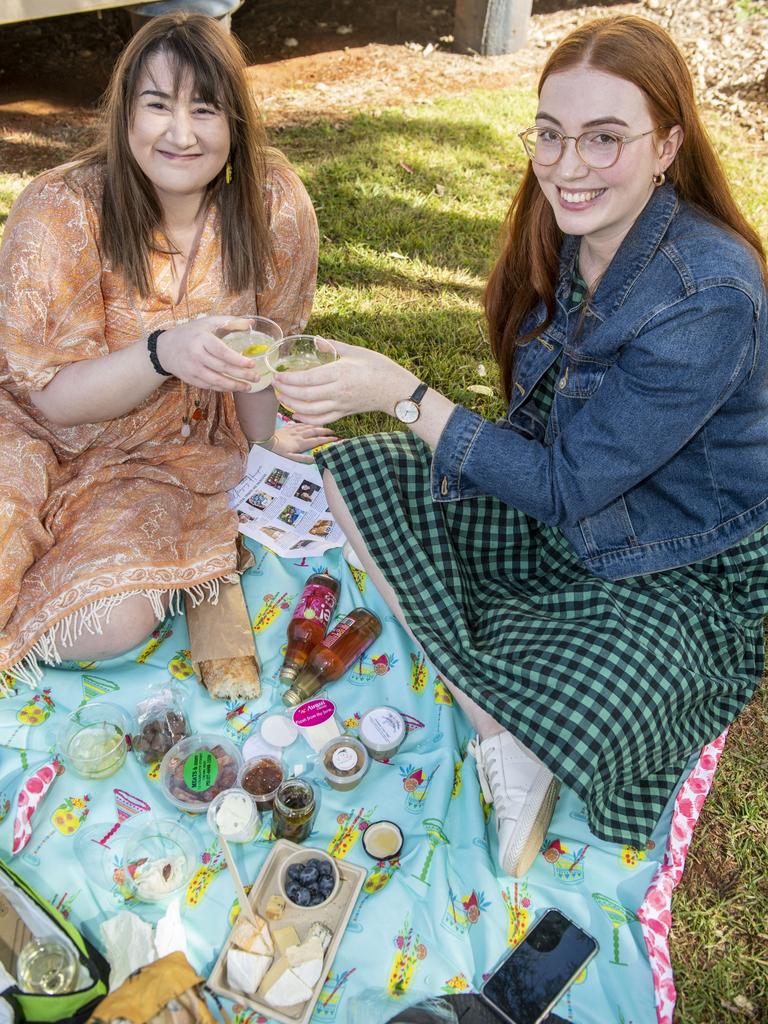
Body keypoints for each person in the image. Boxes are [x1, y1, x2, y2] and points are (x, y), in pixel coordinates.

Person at [272, 14, 768, 877]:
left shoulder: (708, 292)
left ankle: (528, 721)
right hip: (565, 498)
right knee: (355, 474)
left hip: (679, 558)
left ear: (667, 146)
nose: (566, 167)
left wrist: (401, 393)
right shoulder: (566, 235)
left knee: (602, 704)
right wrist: (415, 425)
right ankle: (500, 723)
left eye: (604, 139)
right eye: (551, 134)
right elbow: (542, 447)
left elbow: (567, 484)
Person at [0, 13, 332, 685]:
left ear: (235, 123)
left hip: (169, 456)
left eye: (205, 109)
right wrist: (160, 353)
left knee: (119, 619)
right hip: (39, 433)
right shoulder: (60, 210)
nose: (181, 134)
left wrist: (267, 455)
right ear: (126, 115)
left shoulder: (275, 206)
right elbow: (48, 398)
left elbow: (260, 358)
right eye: (158, 105)